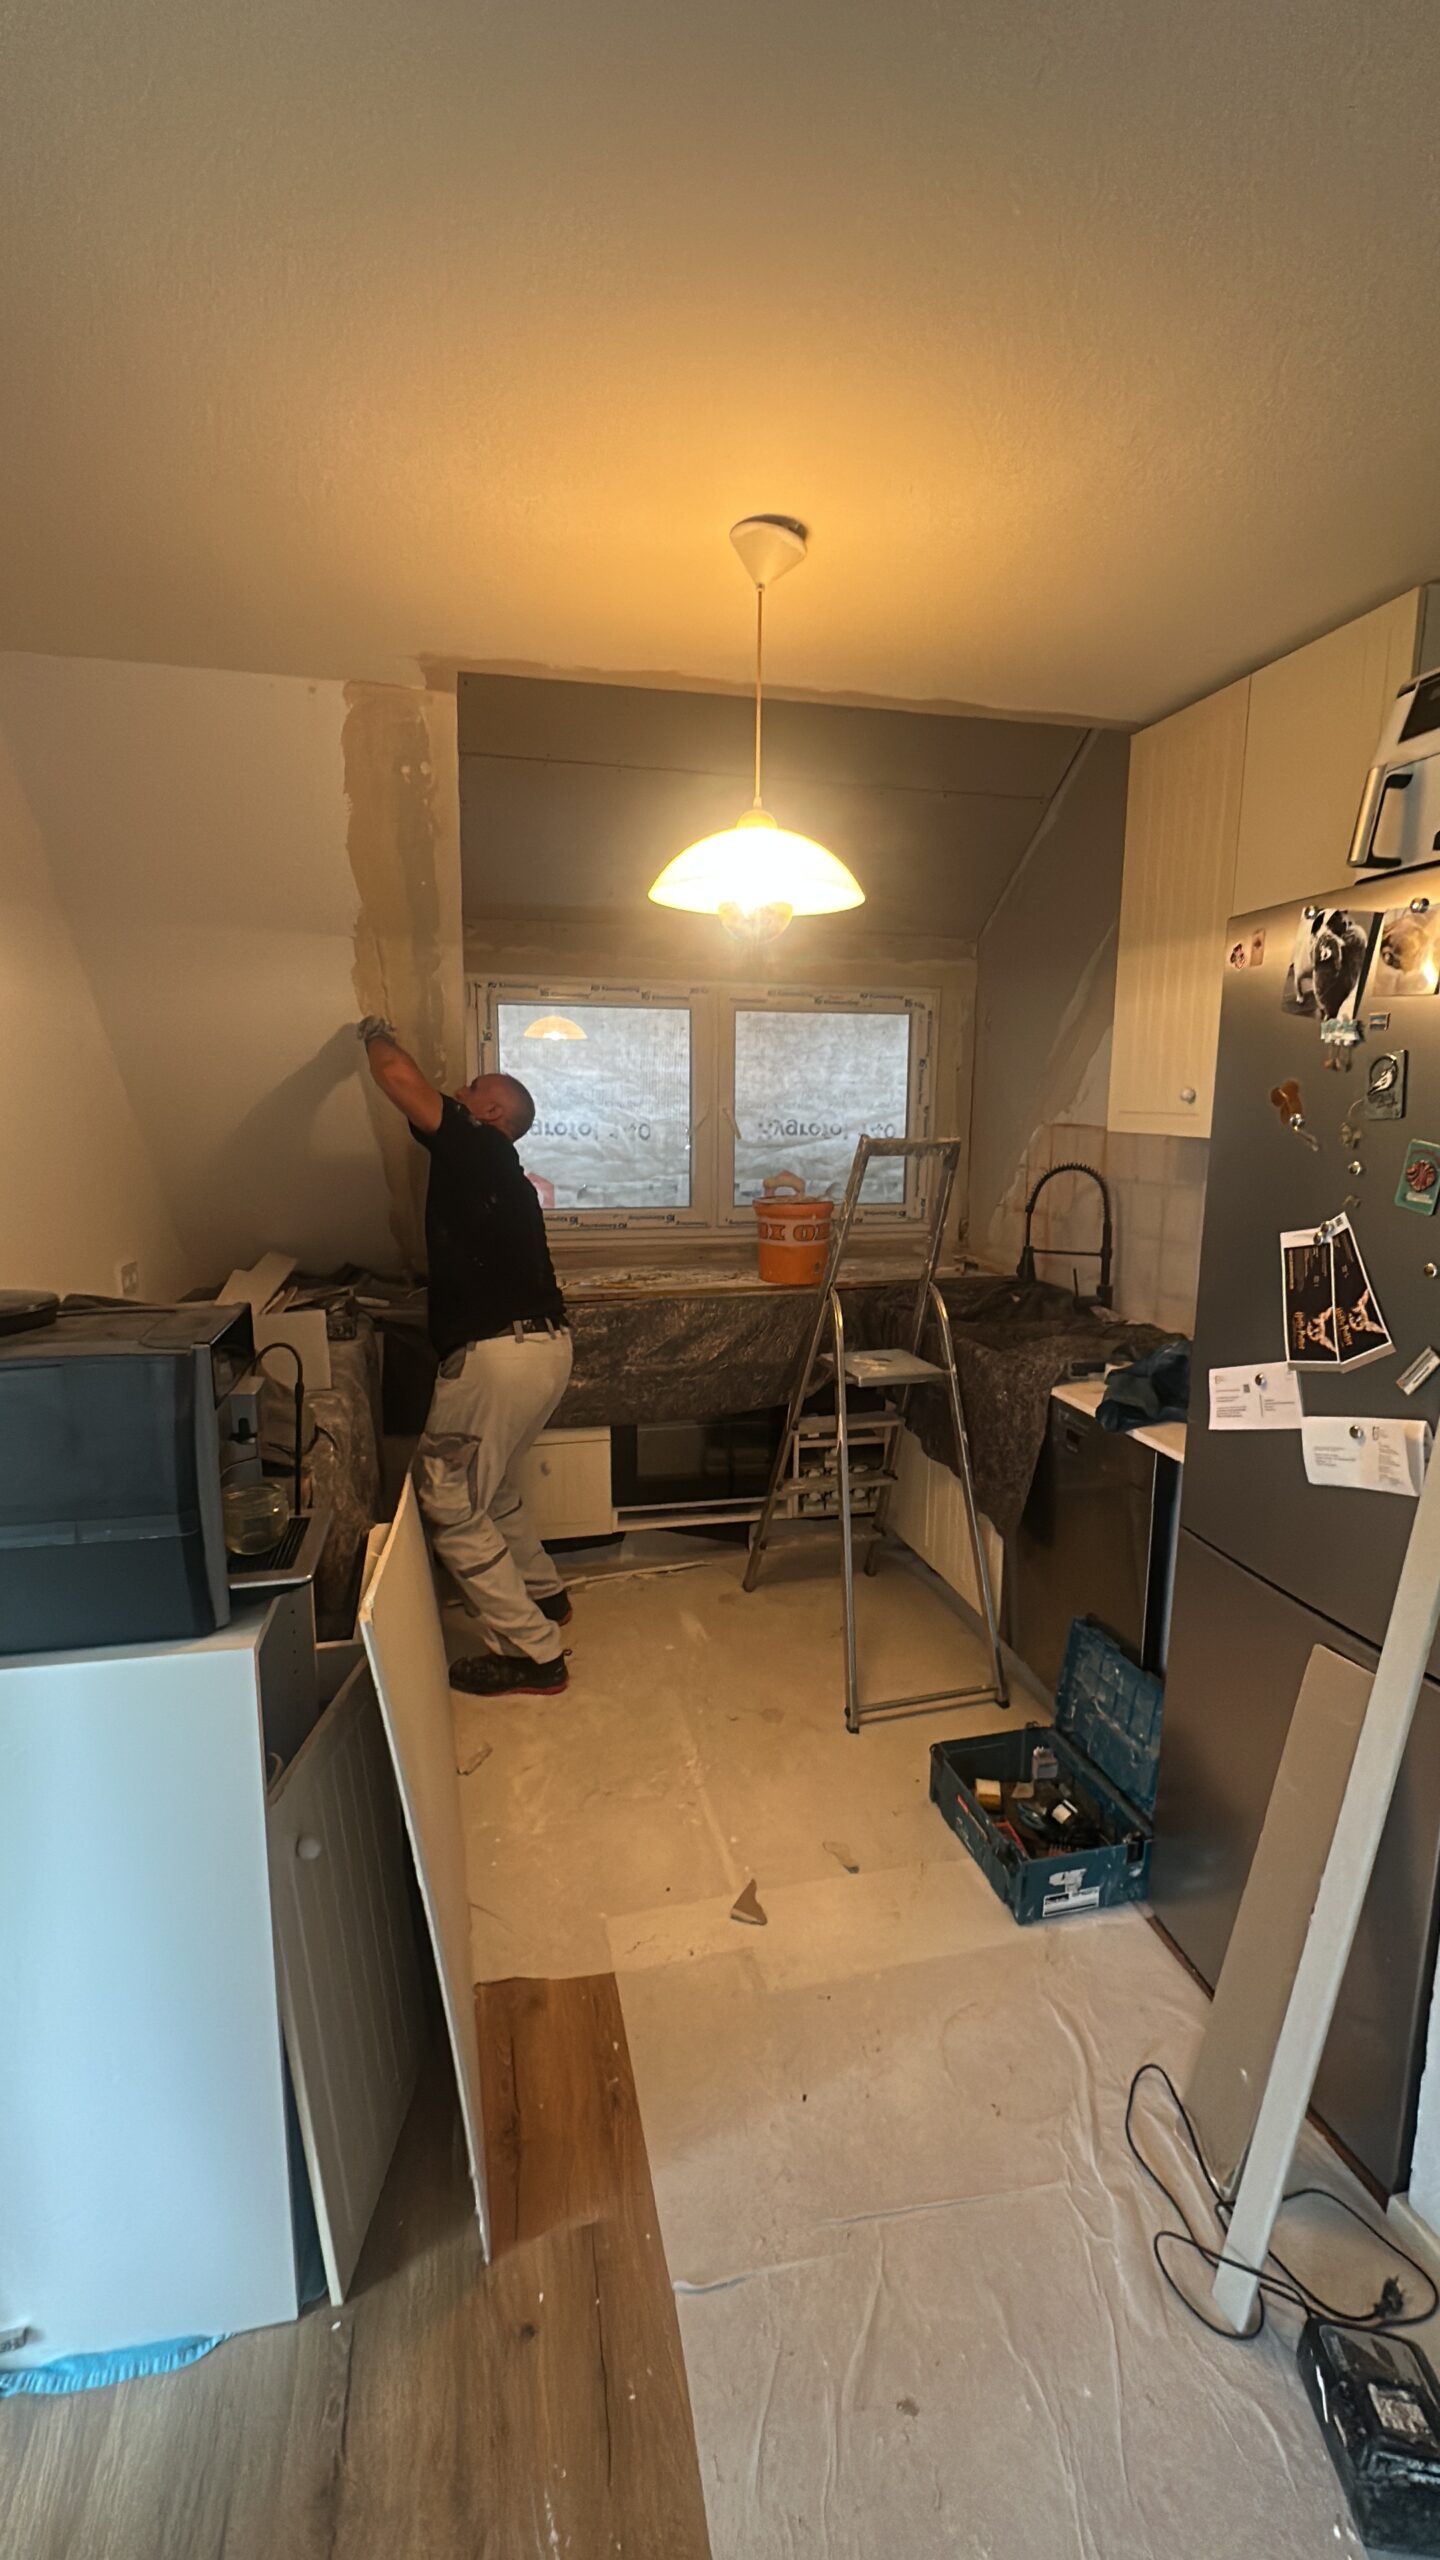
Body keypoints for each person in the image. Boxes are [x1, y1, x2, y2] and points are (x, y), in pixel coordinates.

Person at [358, 1015, 573, 1698]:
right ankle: (544, 1594)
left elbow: (396, 1075)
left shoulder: (474, 1143)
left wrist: (374, 1029)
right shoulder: (500, 1171)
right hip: (544, 1349)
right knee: (496, 1484)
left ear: (491, 1112)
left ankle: (534, 1652)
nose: (457, 1091)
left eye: (472, 1087)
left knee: (451, 1501)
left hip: (498, 1356)